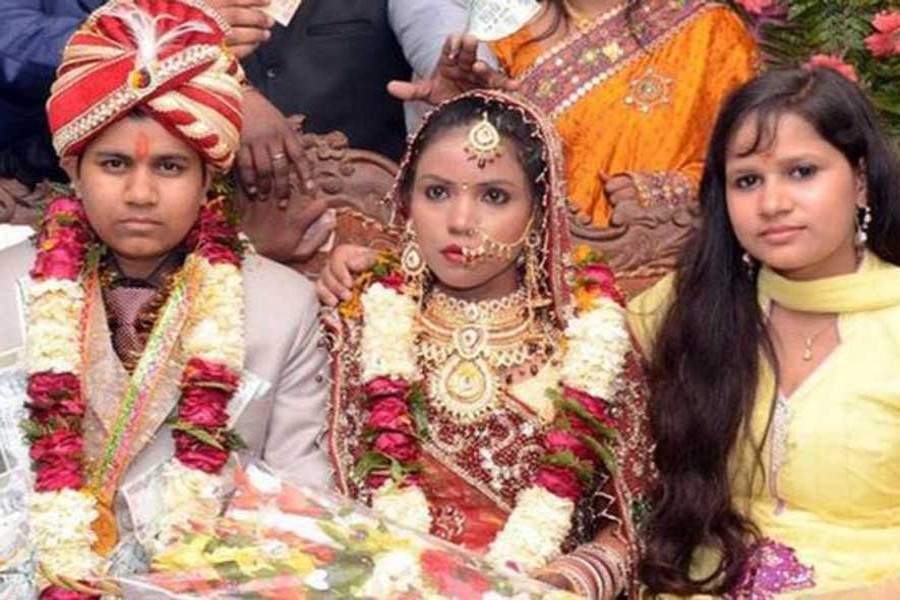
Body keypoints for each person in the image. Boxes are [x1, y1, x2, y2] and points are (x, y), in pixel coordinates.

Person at [0, 0, 328, 595]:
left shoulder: (282, 308)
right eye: (115, 164)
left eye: (171, 167)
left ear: (209, 180)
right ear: (74, 171)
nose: (141, 192)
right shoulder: (3, 291)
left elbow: (300, 503)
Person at [323, 90, 655, 599]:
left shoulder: (592, 341)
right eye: (436, 193)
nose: (460, 221)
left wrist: (563, 581)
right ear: (406, 201)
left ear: (540, 212)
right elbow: (319, 499)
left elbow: (633, 528)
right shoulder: (361, 320)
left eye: (494, 196)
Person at [630, 68, 900, 598]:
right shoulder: (692, 303)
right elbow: (566, 381)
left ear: (861, 180)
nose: (772, 203)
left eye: (801, 172)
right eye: (748, 180)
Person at [392, 0, 758, 228]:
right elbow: (456, 199)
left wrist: (666, 193)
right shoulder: (493, 47)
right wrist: (464, 114)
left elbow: (752, 169)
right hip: (528, 295)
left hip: (669, 291)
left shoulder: (709, 31)